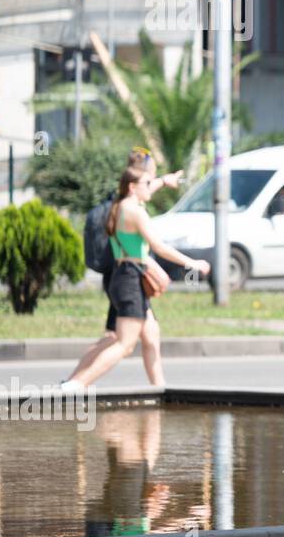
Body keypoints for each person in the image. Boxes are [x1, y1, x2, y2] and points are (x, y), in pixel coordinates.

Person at [63, 165, 209, 389]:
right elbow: (159, 247)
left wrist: (164, 180)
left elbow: (137, 245)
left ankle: (160, 389)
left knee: (151, 334)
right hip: (130, 279)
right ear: (132, 187)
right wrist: (193, 263)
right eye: (147, 184)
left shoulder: (119, 206)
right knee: (124, 343)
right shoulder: (135, 212)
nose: (150, 187)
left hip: (125, 277)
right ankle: (76, 385)